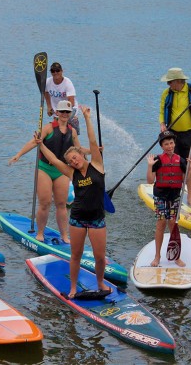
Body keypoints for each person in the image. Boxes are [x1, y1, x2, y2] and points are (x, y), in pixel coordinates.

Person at [37, 105, 110, 299]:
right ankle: (72, 288)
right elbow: (52, 159)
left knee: (100, 257)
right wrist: (41, 144)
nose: (74, 162)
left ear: (81, 155)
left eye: (75, 157)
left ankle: (101, 282)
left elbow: (93, 141)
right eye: (70, 160)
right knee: (75, 255)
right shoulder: (71, 172)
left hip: (96, 219)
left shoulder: (97, 164)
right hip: (77, 218)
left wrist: (87, 118)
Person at [9, 100, 85, 243]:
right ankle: (40, 233)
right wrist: (18, 155)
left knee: (61, 204)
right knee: (45, 203)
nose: (64, 114)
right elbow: (34, 142)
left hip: (61, 170)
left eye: (67, 112)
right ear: (56, 113)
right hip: (44, 168)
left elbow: (79, 151)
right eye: (62, 111)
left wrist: (95, 151)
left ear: (70, 114)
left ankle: (64, 236)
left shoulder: (72, 131)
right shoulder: (48, 128)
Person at [159, 67, 191, 206]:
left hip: (189, 134)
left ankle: (189, 196)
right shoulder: (167, 93)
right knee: (173, 164)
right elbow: (162, 110)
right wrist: (162, 123)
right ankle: (175, 194)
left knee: (190, 165)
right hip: (172, 134)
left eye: (170, 82)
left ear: (178, 80)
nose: (168, 84)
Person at [146, 130, 191, 267]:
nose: (169, 146)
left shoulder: (181, 160)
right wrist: (149, 166)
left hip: (174, 197)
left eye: (171, 143)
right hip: (161, 196)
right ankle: (157, 256)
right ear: (162, 146)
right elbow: (150, 181)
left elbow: (185, 180)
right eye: (166, 144)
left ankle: (176, 256)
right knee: (161, 223)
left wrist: (190, 168)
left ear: (174, 143)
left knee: (173, 224)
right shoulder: (157, 160)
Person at [44, 62, 80, 134]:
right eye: (53, 71)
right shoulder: (48, 82)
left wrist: (61, 115)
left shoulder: (67, 83)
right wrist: (49, 106)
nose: (55, 73)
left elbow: (71, 103)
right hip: (57, 111)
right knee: (56, 132)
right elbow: (46, 92)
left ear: (62, 71)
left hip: (70, 109)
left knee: (71, 133)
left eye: (57, 70)